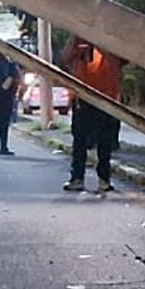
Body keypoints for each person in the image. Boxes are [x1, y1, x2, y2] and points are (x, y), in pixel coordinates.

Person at [61, 36, 124, 192]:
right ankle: (77, 178)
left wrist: (99, 41)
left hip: (106, 98)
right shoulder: (79, 42)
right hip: (83, 98)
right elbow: (65, 58)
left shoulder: (111, 43)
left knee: (105, 143)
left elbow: (122, 60)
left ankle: (104, 179)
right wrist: (76, 38)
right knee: (80, 142)